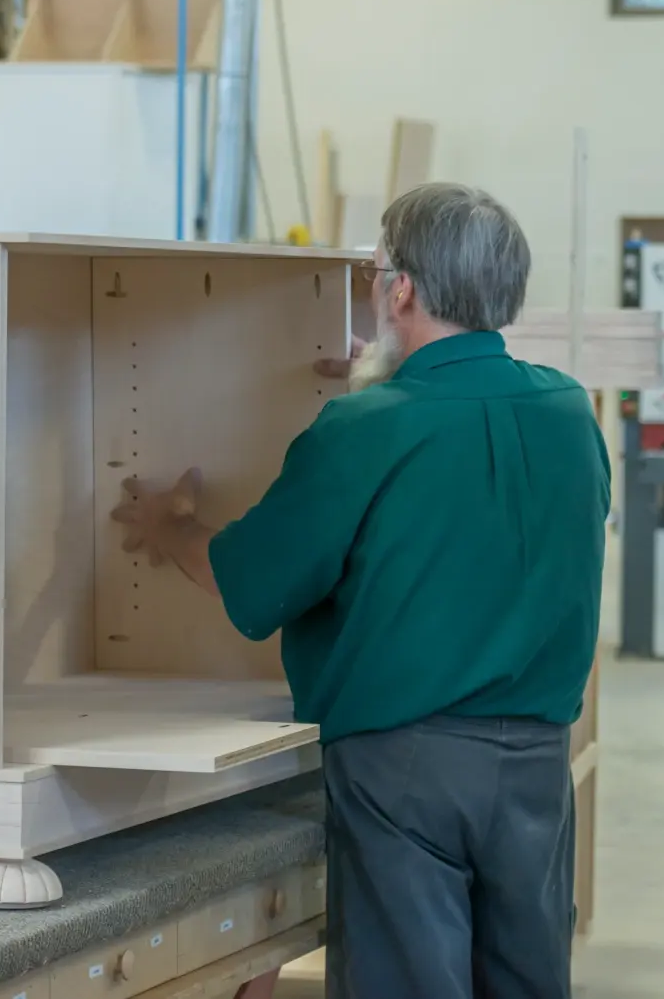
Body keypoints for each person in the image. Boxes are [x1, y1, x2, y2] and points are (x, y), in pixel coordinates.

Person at [110, 182, 609, 999]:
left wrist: (167, 524)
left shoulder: (365, 429)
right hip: (536, 760)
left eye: (377, 270)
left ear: (401, 288)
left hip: (404, 764)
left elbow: (245, 581)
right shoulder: (568, 411)